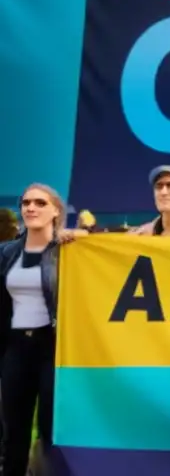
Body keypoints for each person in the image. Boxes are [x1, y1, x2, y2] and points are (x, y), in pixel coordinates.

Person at [0, 184, 83, 476]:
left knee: (49, 427)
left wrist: (79, 236)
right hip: (14, 347)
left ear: (55, 211)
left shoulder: (67, 252)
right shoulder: (7, 252)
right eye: (26, 203)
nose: (30, 208)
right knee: (13, 428)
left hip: (52, 346)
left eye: (39, 203)